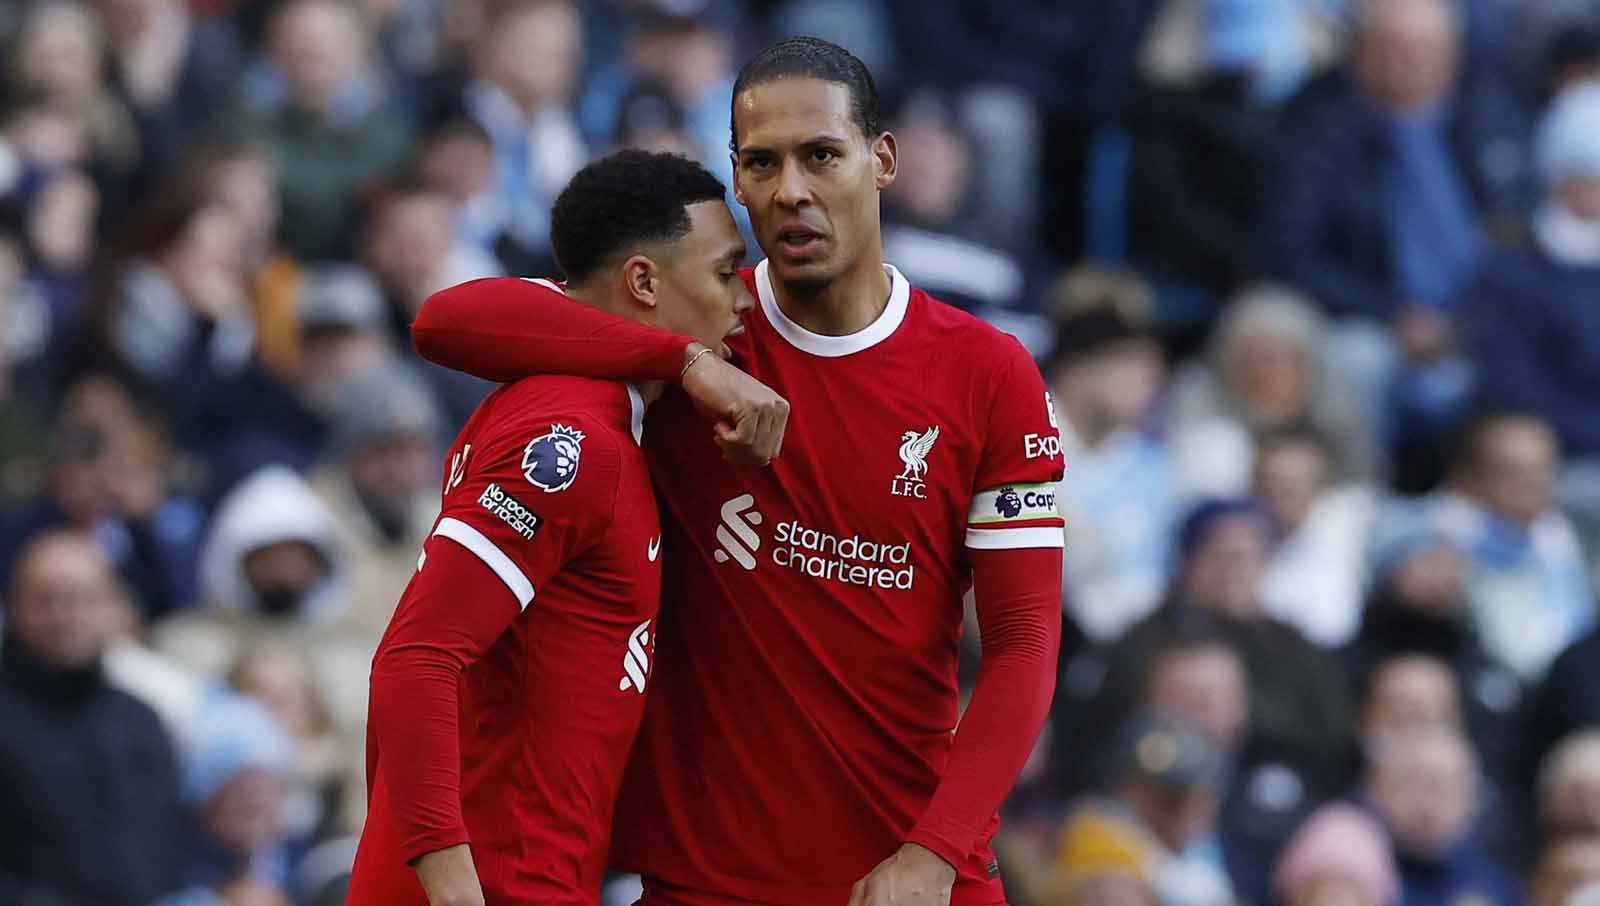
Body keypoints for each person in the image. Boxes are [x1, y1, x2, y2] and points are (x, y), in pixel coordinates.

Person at [411, 36, 1067, 906]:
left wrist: (935, 854)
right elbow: (450, 321)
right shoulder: (710, 329)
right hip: (706, 883)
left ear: (884, 159)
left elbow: (1023, 649)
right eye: (761, 163)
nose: (789, 189)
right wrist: (686, 361)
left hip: (911, 879)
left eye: (820, 155)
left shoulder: (987, 373)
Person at [348, 149, 768, 906]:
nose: (743, 299)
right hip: (500, 880)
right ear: (643, 281)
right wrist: (450, 887)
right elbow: (414, 661)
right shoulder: (573, 441)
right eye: (723, 271)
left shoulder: (577, 398)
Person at [0, 529, 187, 905]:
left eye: (85, 599)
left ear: (114, 608)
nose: (67, 617)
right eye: (47, 600)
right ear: (14, 607)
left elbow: (173, 841)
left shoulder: (140, 718)